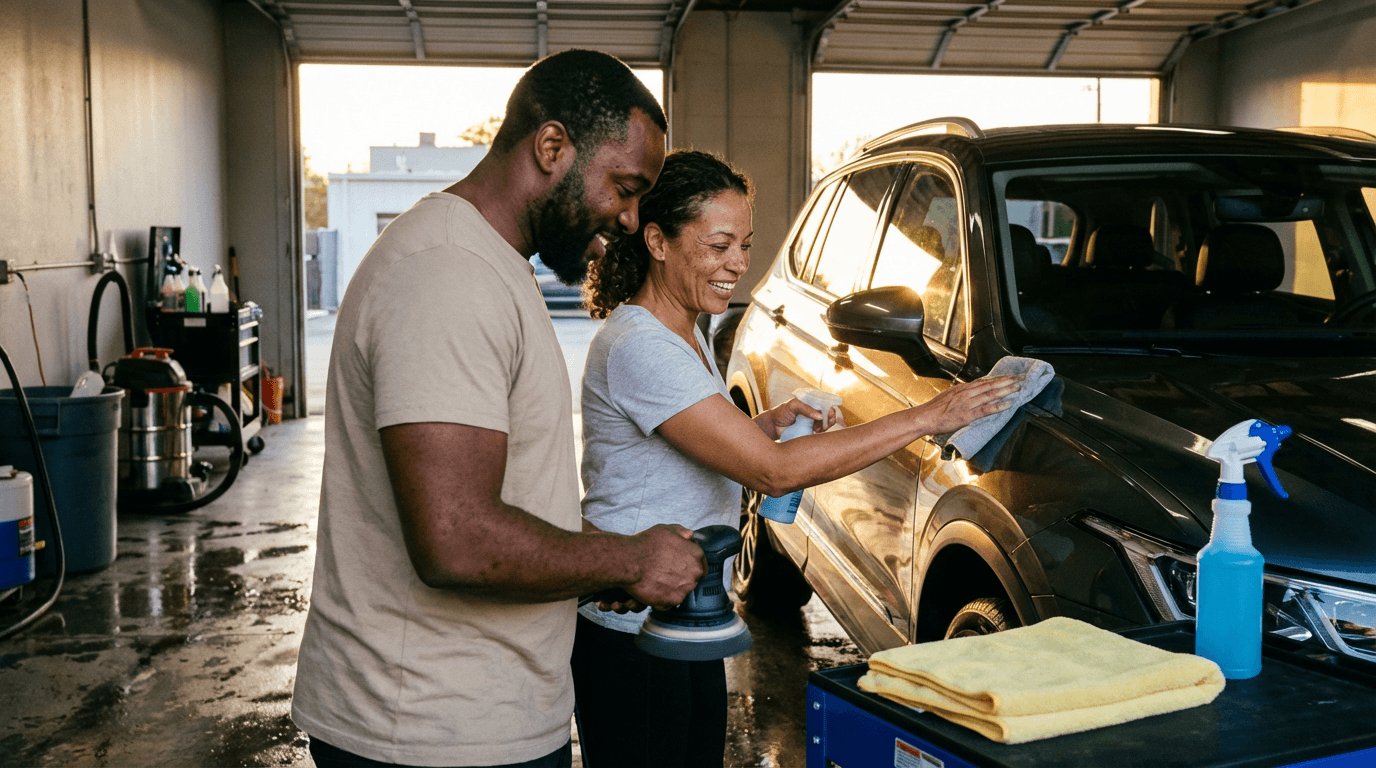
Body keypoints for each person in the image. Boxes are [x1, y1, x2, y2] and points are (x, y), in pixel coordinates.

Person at [291, 50, 708, 768]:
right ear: (551, 147)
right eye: (625, 185)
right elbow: (454, 537)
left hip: (472, 717)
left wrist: (600, 566)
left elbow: (506, 498)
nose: (635, 217)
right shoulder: (447, 277)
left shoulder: (488, 266)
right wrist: (630, 558)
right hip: (428, 733)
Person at [570, 150, 1022, 768]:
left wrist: (759, 425)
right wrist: (932, 416)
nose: (739, 265)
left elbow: (684, 443)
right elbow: (771, 471)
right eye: (720, 245)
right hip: (632, 632)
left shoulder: (686, 329)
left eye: (746, 244)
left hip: (681, 618)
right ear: (658, 241)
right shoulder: (641, 344)